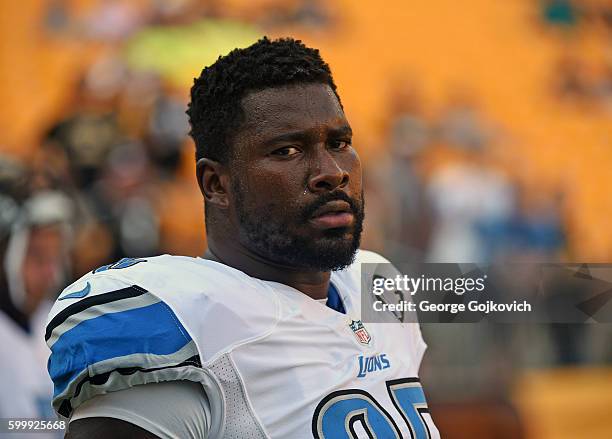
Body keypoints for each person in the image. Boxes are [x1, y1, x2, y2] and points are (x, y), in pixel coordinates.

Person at [46, 37, 439, 438]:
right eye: (287, 150)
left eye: (339, 143)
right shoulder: (187, 324)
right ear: (216, 184)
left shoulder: (376, 280)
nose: (332, 170)